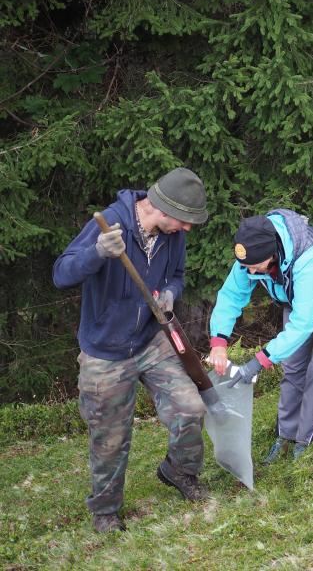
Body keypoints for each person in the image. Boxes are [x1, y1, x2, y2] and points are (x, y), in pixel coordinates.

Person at [53, 167, 210, 533]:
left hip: (150, 340)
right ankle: (106, 510)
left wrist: (170, 292)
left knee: (190, 407)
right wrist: (97, 253)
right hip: (106, 351)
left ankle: (179, 471)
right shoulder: (111, 224)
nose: (187, 228)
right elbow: (61, 274)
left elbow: (177, 276)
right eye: (184, 220)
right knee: (110, 438)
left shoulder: (172, 236)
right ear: (162, 208)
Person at [208, 209, 313, 461]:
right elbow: (231, 295)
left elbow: (302, 325)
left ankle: (305, 441)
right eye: (246, 267)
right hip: (298, 294)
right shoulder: (251, 254)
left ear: (271, 253)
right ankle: (285, 436)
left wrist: (260, 360)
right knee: (293, 366)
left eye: (255, 267)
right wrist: (218, 342)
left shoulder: (309, 256)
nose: (251, 273)